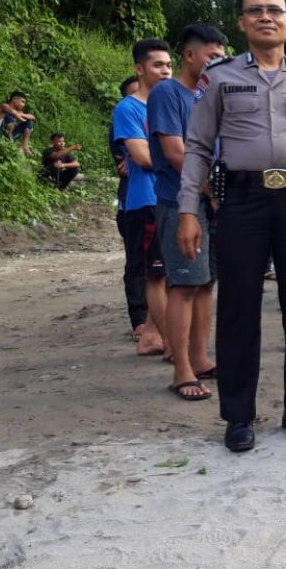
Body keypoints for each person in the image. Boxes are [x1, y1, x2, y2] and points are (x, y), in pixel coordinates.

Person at [177, 0, 286, 452]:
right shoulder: (220, 77)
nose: (266, 17)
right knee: (238, 309)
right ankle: (238, 416)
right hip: (242, 200)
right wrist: (188, 210)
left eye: (275, 11)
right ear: (242, 22)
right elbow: (197, 146)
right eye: (255, 11)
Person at [148, 24, 227, 401]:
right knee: (182, 284)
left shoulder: (207, 96)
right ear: (190, 55)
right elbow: (177, 153)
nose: (217, 63)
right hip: (181, 203)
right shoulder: (168, 93)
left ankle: (200, 357)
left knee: (205, 282)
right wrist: (212, 192)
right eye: (211, 56)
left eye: (221, 57)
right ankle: (181, 369)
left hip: (209, 202)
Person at [113, 40, 172, 358]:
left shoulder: (171, 103)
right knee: (158, 273)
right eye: (157, 65)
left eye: (168, 65)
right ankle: (171, 344)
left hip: (170, 197)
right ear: (140, 68)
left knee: (169, 273)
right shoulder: (128, 108)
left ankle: (151, 335)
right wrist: (177, 154)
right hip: (145, 200)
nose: (164, 70)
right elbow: (142, 157)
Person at [110, 76, 143, 342]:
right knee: (136, 261)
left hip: (163, 198)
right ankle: (140, 320)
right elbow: (129, 161)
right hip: (133, 199)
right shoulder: (124, 116)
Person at [0, 90, 36, 156]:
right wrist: (19, 116)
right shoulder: (4, 106)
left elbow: (32, 117)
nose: (23, 105)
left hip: (9, 136)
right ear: (14, 99)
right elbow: (12, 112)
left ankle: (25, 145)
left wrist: (20, 116)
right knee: (9, 117)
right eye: (22, 102)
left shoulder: (19, 112)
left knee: (29, 122)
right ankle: (11, 144)